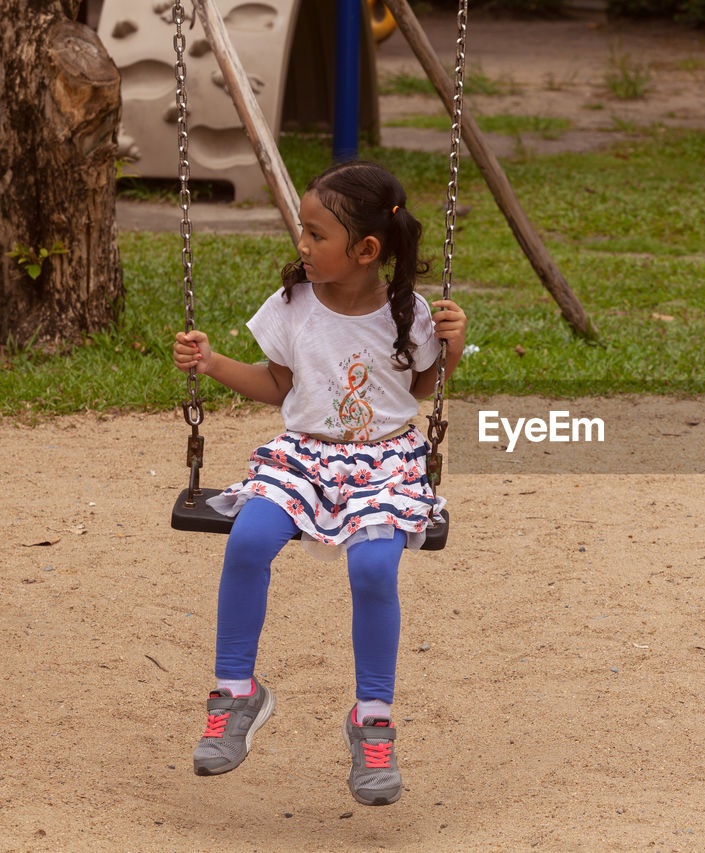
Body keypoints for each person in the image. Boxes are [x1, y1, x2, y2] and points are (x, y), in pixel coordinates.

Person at [172, 160, 467, 806]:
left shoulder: (407, 312)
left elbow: (419, 389)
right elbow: (277, 385)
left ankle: (373, 718)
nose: (300, 245)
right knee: (247, 539)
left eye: (315, 234)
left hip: (386, 460)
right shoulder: (292, 306)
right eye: (300, 231)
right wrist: (213, 362)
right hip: (304, 454)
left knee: (372, 568)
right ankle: (236, 692)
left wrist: (449, 348)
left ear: (365, 250)